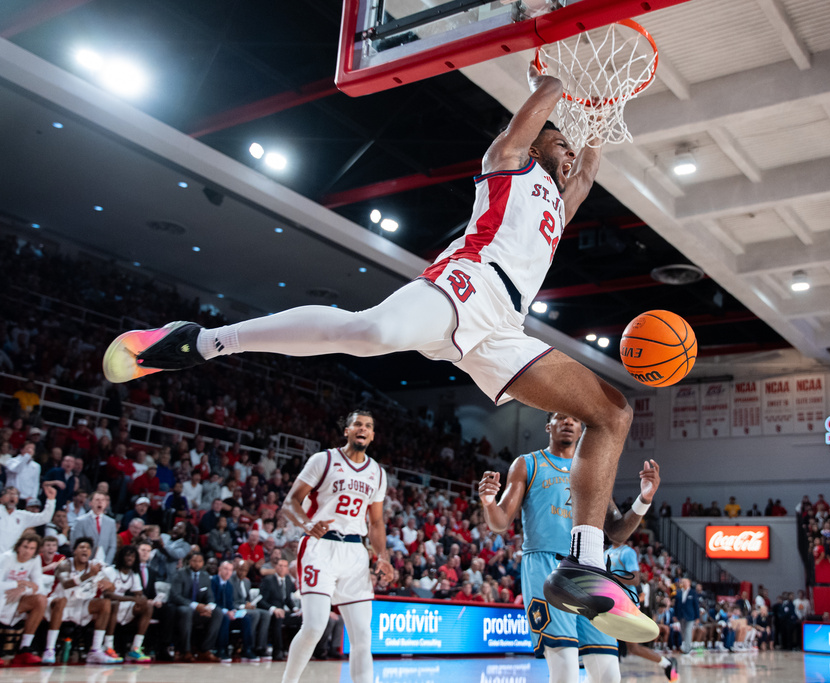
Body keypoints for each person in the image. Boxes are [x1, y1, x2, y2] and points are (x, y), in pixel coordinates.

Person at [102, 62, 643, 638]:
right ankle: (204, 340)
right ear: (534, 142)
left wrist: (597, 118)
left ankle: (583, 568)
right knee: (370, 333)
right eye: (555, 142)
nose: (565, 153)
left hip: (504, 325)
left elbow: (584, 173)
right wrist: (558, 75)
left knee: (612, 412)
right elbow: (540, 109)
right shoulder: (507, 163)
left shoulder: (559, 206)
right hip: (467, 282)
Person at [479, 412, 665, 683]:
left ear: (582, 430)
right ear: (548, 426)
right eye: (560, 417)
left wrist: (644, 498)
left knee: (609, 675)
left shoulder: (593, 473)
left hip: (590, 570)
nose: (568, 422)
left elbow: (617, 532)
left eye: (575, 419)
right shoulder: (527, 464)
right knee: (565, 669)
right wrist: (488, 502)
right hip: (546, 568)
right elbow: (500, 522)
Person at [278, 410, 392, 683]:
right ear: (347, 430)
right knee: (314, 627)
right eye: (357, 424)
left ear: (373, 435)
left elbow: (376, 523)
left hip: (355, 552)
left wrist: (383, 557)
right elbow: (290, 502)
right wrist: (306, 525)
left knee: (363, 636)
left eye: (368, 426)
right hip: (320, 547)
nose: (362, 429)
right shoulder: (323, 459)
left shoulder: (377, 472)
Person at [606, 537, 678, 680]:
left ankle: (666, 662)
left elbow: (636, 581)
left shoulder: (627, 553)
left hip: (626, 604)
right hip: (611, 600)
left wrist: (612, 577)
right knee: (630, 647)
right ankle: (666, 663)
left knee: (629, 645)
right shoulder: (607, 553)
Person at [49, 538, 123, 664]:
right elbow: (66, 584)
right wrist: (88, 575)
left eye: (88, 548)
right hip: (60, 603)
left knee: (105, 603)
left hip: (81, 605)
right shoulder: (64, 564)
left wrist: (108, 585)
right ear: (74, 551)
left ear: (91, 553)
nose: (85, 550)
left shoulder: (95, 566)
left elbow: (113, 587)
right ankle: (49, 649)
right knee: (61, 602)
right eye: (81, 547)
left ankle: (95, 651)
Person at [0, 533, 46, 666]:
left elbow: (39, 587)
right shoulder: (7, 557)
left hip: (16, 598)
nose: (27, 551)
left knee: (41, 600)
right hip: (1, 596)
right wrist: (18, 584)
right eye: (25, 547)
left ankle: (24, 649)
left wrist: (22, 589)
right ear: (18, 547)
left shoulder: (35, 559)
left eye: (32, 548)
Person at [168, 551, 223, 662]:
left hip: (199, 610)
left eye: (199, 561)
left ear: (203, 563)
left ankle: (205, 650)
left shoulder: (205, 576)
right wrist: (195, 606)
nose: (197, 563)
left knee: (218, 612)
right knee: (187, 611)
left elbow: (210, 597)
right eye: (194, 561)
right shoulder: (180, 574)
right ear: (189, 562)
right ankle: (185, 651)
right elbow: (175, 596)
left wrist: (209, 607)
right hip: (181, 607)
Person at [101, 545, 152, 661]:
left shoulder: (133, 574)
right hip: (105, 605)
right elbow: (107, 594)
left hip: (123, 604)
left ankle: (136, 648)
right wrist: (133, 599)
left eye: (133, 556)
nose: (130, 559)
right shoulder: (110, 571)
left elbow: (139, 593)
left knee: (148, 607)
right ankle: (108, 647)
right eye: (127, 555)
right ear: (121, 557)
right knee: (114, 604)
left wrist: (142, 599)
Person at [262, 557, 301, 661]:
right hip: (271, 611)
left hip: (284, 611)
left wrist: (295, 609)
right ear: (275, 567)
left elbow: (287, 599)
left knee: (301, 619)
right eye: (280, 566)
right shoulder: (268, 580)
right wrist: (273, 609)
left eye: (285, 566)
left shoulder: (288, 580)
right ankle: (278, 651)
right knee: (278, 618)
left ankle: (296, 651)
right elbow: (261, 601)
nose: (282, 568)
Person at [0, 484, 56, 551]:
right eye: (8, 494)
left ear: (18, 499)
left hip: (11, 556)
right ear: (1, 498)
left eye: (15, 494)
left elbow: (45, 518)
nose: (12, 496)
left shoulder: (22, 515)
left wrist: (51, 500)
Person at [70, 491, 117, 562]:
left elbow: (112, 546)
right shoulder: (80, 521)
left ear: (106, 504)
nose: (100, 502)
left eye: (103, 500)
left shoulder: (111, 522)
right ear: (90, 503)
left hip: (104, 564)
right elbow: (75, 544)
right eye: (97, 500)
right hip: (84, 563)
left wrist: (106, 563)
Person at [674, 577, 699, 655]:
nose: (683, 583)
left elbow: (696, 605)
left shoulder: (693, 592)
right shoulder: (679, 592)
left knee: (688, 631)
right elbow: (676, 605)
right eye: (682, 582)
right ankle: (684, 645)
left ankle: (687, 649)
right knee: (683, 632)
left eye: (685, 582)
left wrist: (697, 617)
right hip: (681, 615)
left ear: (689, 583)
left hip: (690, 615)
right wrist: (674, 615)